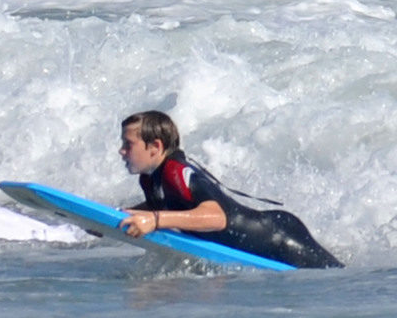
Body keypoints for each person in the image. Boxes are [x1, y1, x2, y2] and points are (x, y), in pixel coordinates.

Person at [116, 111, 342, 268]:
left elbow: (217, 217)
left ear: (155, 147)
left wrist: (154, 220)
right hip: (267, 237)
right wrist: (121, 215)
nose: (121, 151)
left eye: (128, 144)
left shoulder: (176, 173)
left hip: (279, 238)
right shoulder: (151, 179)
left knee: (336, 282)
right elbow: (169, 204)